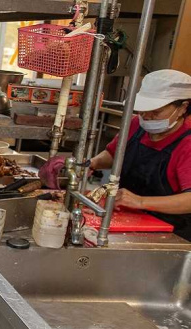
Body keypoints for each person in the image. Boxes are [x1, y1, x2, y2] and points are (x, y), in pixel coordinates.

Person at [40, 69, 191, 240]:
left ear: (182, 108)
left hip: (174, 233)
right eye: (143, 110)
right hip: (131, 220)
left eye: (156, 112)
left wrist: (140, 201)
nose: (147, 117)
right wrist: (91, 164)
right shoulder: (135, 124)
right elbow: (113, 154)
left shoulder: (188, 143)